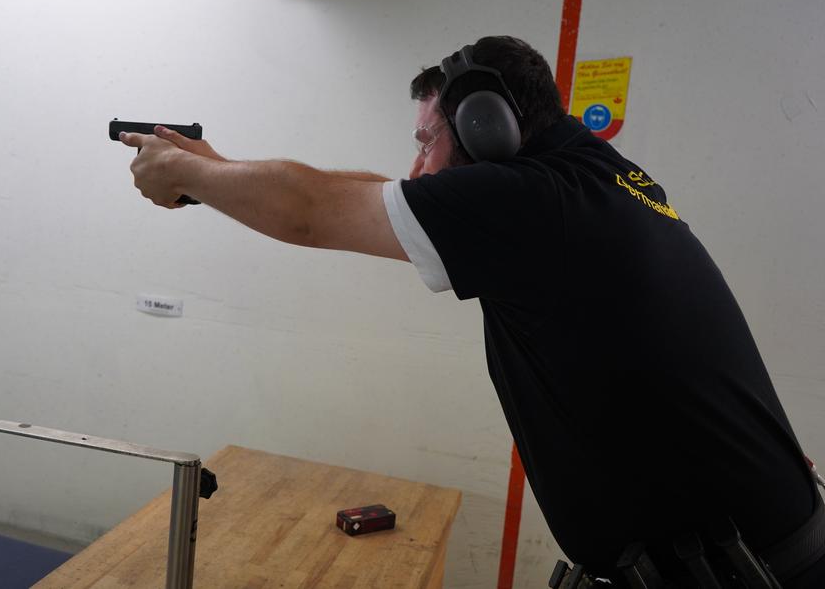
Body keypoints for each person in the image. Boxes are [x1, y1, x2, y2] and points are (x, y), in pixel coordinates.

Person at [119, 36, 824, 587]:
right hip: (754, 555)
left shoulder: (531, 204)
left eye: (426, 140)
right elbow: (388, 195)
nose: (418, 166)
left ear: (487, 127)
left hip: (745, 572)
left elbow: (309, 213)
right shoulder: (590, 177)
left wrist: (183, 173)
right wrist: (219, 170)